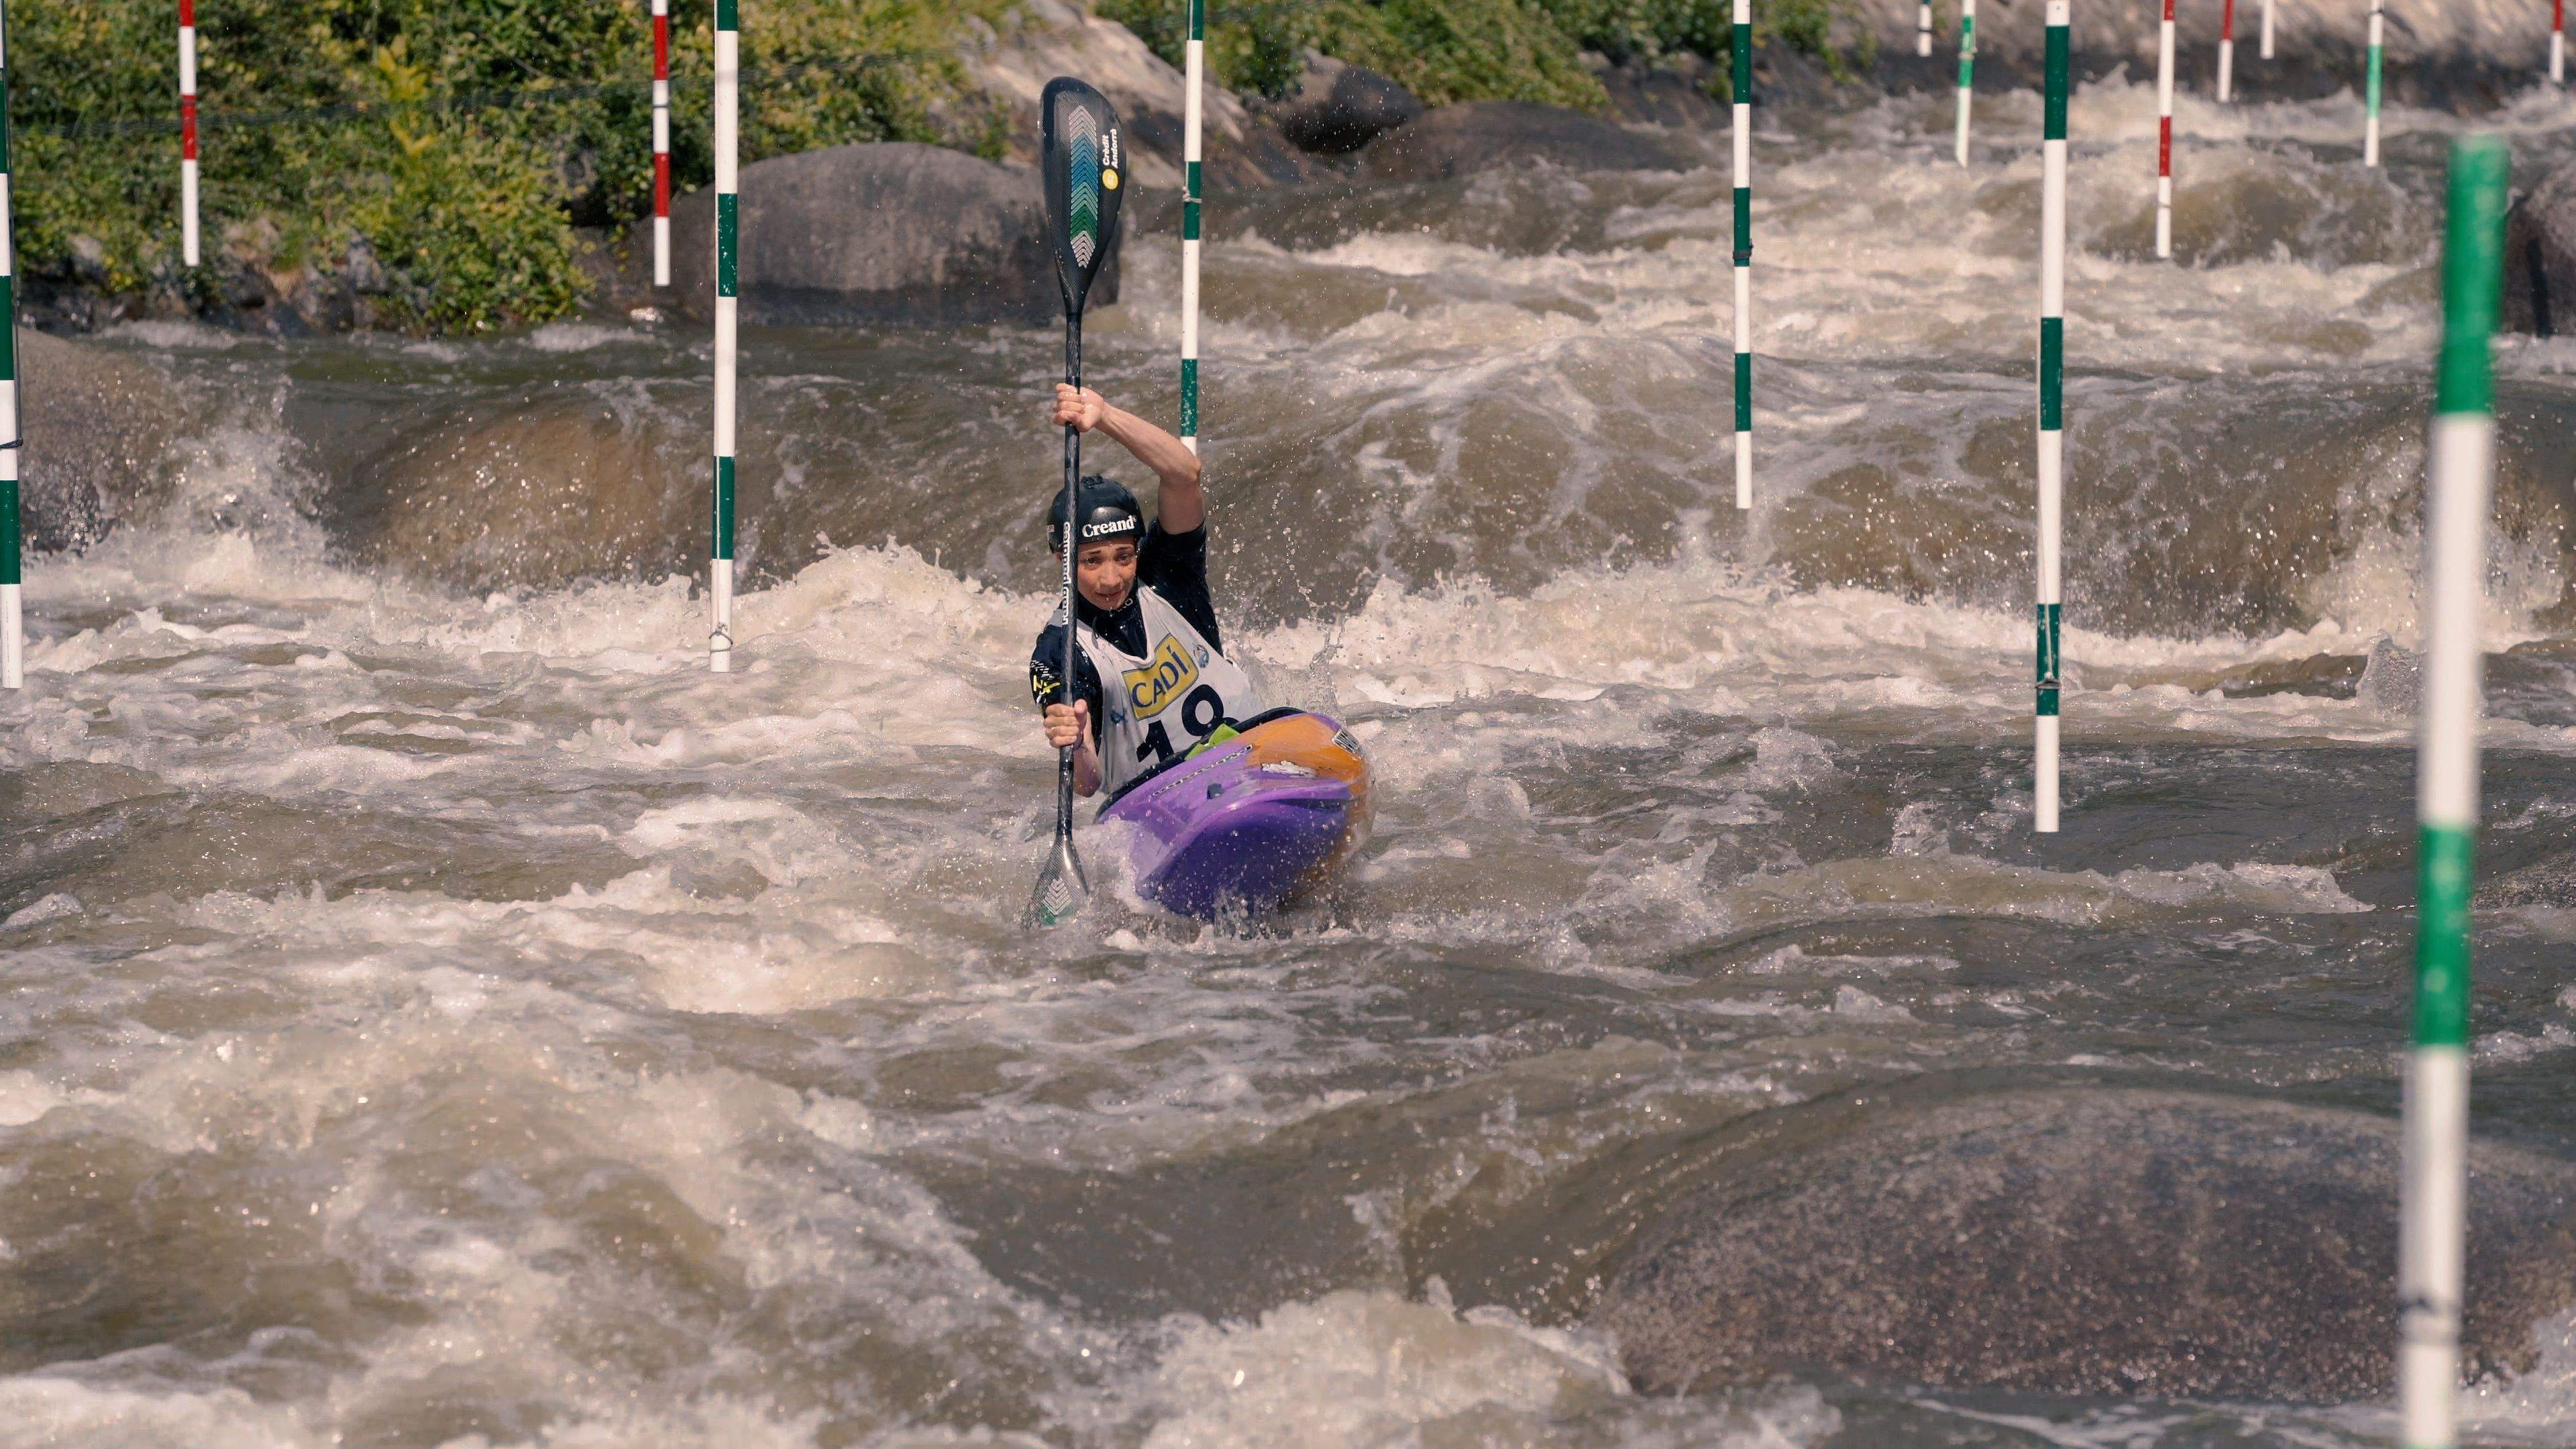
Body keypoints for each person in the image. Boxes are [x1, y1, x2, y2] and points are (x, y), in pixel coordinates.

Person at [1030, 382, 1265, 800]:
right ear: (1061, 561)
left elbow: (1184, 473)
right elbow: (1088, 785)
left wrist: (1103, 416)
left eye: (1124, 556)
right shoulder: (1060, 650)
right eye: (1090, 561)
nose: (1111, 579)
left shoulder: (1168, 574)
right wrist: (1073, 741)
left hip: (1250, 762)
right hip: (1165, 809)